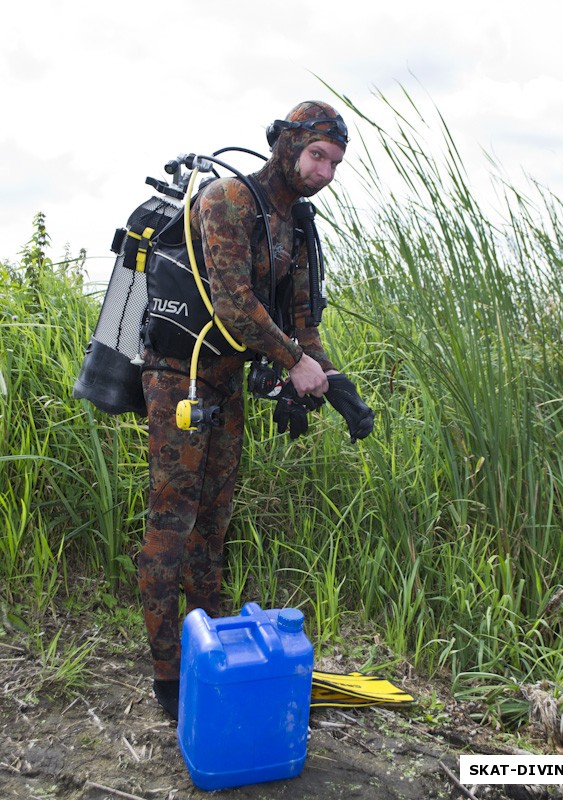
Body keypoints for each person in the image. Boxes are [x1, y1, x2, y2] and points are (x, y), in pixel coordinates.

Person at [137, 100, 374, 720]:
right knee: (173, 519)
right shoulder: (227, 201)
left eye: (335, 163)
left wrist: (331, 380)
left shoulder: (297, 224)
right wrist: (295, 362)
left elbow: (300, 321)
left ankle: (207, 648)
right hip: (177, 375)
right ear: (286, 144)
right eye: (317, 155)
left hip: (227, 381)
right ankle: (167, 674)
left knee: (215, 519)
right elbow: (235, 304)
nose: (325, 171)